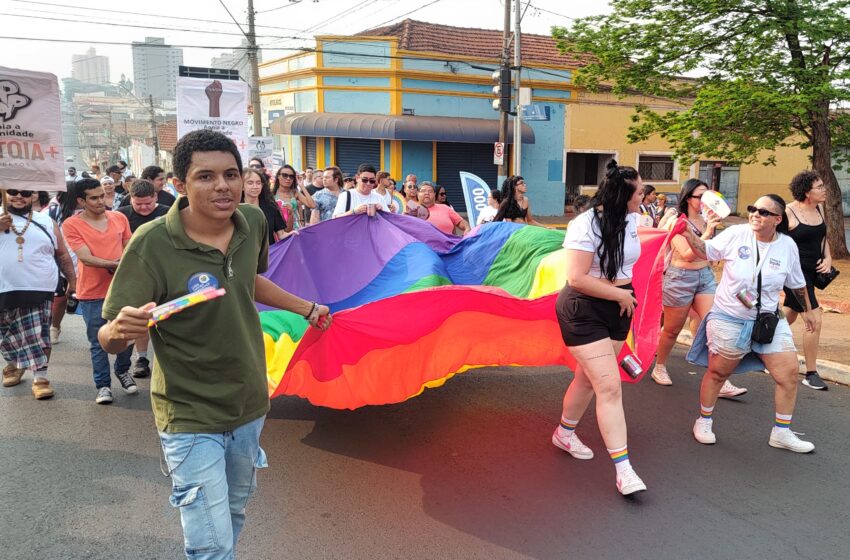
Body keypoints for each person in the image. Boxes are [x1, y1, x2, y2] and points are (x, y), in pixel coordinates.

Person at [97, 129, 331, 560]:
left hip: (249, 404)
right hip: (188, 413)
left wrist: (307, 307)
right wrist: (119, 332)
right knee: (211, 542)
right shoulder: (152, 243)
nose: (222, 186)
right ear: (181, 185)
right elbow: (109, 336)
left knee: (233, 514)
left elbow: (247, 279)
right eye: (206, 176)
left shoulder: (253, 222)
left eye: (231, 175)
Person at [682, 194, 817, 453]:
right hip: (729, 318)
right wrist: (688, 233)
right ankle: (704, 420)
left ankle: (781, 432)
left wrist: (808, 309)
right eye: (753, 208)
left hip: (768, 320)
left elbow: (797, 282)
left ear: (778, 219)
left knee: (788, 374)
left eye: (764, 212)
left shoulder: (787, 245)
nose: (756, 214)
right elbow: (705, 250)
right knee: (719, 372)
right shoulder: (737, 234)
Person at [553, 160, 647, 496]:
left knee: (587, 379)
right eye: (639, 191)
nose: (644, 195)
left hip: (620, 307)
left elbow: (633, 258)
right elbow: (576, 277)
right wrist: (618, 293)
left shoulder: (634, 219)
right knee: (609, 387)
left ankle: (564, 433)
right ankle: (624, 470)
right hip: (584, 308)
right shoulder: (584, 224)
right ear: (624, 195)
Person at [650, 179, 747, 396]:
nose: (706, 200)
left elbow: (709, 252)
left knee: (714, 324)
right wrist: (707, 233)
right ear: (688, 198)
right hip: (680, 277)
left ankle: (720, 380)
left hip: (705, 276)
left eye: (708, 195)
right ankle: (659, 366)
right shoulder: (677, 220)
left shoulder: (707, 219)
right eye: (700, 196)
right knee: (673, 329)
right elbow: (687, 253)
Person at [62, 178, 137, 403]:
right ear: (81, 201)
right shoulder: (71, 225)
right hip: (92, 292)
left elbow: (130, 247)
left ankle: (123, 370)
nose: (100, 201)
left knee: (126, 335)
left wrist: (124, 263)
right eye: (93, 198)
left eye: (102, 196)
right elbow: (84, 257)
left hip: (122, 289)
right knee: (98, 341)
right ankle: (103, 385)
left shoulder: (119, 218)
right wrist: (114, 264)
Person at [1, 188, 76, 399]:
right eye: (13, 191)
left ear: (33, 195)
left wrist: (72, 280)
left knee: (38, 334)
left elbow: (62, 253)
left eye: (25, 193)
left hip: (39, 286)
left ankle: (40, 377)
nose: (19, 197)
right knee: (6, 336)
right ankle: (13, 364)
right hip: (3, 287)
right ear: (5, 193)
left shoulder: (46, 221)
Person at [115, 179, 170, 379]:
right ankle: (142, 358)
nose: (144, 208)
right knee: (141, 317)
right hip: (136, 274)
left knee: (167, 317)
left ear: (156, 196)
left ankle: (169, 360)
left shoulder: (169, 212)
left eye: (148, 203)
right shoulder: (121, 215)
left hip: (166, 272)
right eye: (138, 204)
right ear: (131, 199)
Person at [783, 171, 832, 391]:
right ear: (806, 192)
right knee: (814, 318)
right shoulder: (787, 212)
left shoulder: (819, 208)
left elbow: (822, 237)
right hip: (794, 275)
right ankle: (811, 373)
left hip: (813, 271)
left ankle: (758, 344)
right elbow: (776, 243)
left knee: (789, 314)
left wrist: (828, 258)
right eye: (819, 187)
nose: (824, 190)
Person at [47, 183, 82, 344]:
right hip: (58, 262)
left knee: (83, 298)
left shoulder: (88, 212)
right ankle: (55, 327)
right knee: (59, 299)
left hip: (83, 262)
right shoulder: (52, 212)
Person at [242, 167, 290, 244]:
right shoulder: (234, 209)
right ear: (241, 186)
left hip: (269, 254)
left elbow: (281, 234)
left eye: (258, 183)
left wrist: (293, 234)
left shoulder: (270, 207)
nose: (255, 186)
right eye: (250, 183)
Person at [273, 164, 315, 230]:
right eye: (285, 175)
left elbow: (312, 205)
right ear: (278, 176)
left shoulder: (294, 192)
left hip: (296, 229)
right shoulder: (272, 194)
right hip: (280, 231)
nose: (288, 178)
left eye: (291, 176)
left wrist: (302, 186)